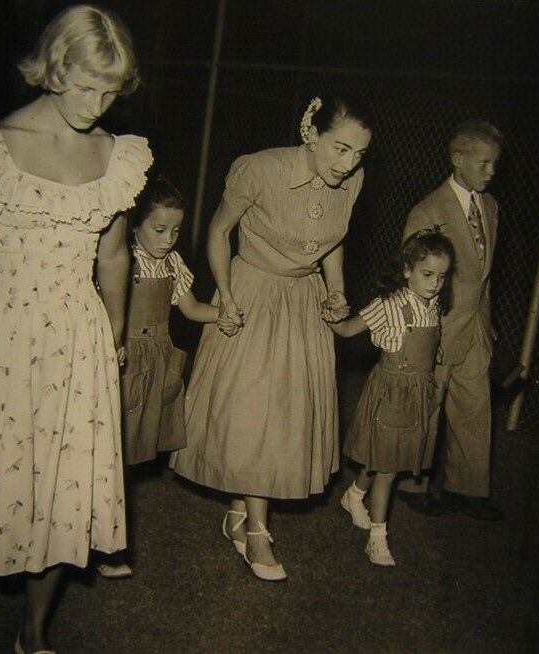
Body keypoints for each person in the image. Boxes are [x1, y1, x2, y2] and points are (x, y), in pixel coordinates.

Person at [0, 6, 152, 654]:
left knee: (65, 474)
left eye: (109, 91)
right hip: (0, 331)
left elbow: (113, 256)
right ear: (54, 68)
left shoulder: (116, 156)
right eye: (84, 85)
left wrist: (116, 330)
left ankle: (37, 629)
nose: (96, 103)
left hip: (77, 334)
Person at [171, 95, 374, 581]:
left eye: (359, 155)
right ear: (311, 134)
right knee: (255, 412)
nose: (348, 165)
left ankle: (242, 510)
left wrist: (337, 290)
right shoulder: (259, 170)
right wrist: (225, 294)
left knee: (284, 415)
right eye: (340, 150)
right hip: (253, 292)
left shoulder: (353, 180)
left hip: (305, 300)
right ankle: (258, 534)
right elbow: (218, 232)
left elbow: (333, 243)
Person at [97, 174, 221, 579]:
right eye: (159, 229)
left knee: (129, 458)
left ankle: (107, 542)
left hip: (157, 364)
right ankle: (101, 544)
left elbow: (192, 309)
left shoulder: (172, 264)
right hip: (125, 359)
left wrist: (228, 313)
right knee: (109, 454)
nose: (168, 238)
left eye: (176, 230)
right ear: (135, 224)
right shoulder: (121, 260)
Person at [397, 120, 504, 521]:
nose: (492, 171)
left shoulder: (490, 207)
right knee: (429, 402)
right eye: (484, 163)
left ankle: (468, 488)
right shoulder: (429, 210)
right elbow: (413, 274)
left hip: (475, 327)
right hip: (438, 325)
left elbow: (482, 273)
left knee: (475, 406)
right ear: (458, 160)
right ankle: (412, 482)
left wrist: (487, 323)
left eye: (495, 163)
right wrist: (421, 328)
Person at [332, 230, 455, 566]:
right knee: (388, 468)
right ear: (406, 269)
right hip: (391, 392)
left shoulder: (433, 305)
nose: (434, 284)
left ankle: (354, 495)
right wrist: (330, 309)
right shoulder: (389, 305)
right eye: (427, 274)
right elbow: (346, 330)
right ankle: (377, 537)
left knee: (388, 457)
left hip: (418, 395)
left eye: (442, 277)